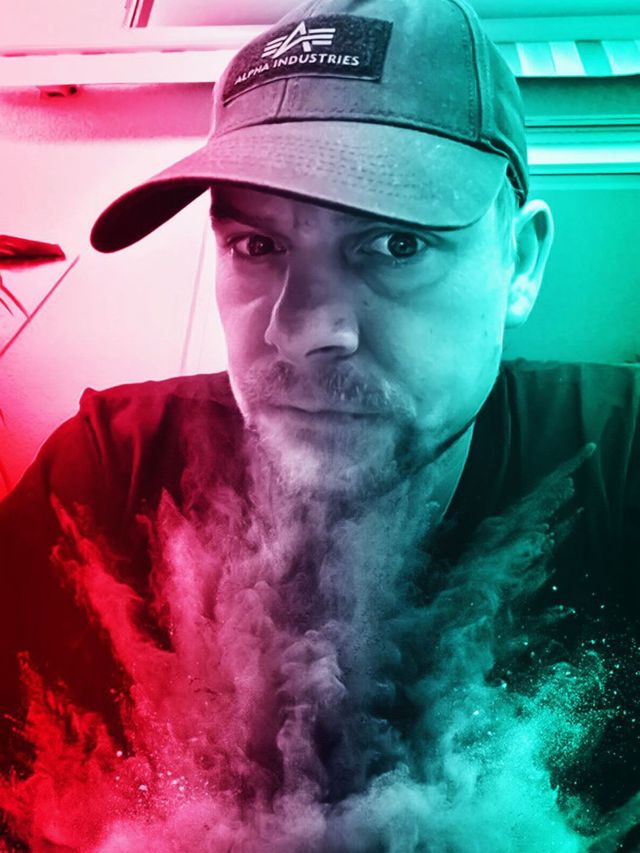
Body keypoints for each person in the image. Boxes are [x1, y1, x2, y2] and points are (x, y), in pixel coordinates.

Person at [1, 0, 639, 849]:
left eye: (396, 244)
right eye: (257, 246)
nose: (301, 328)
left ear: (519, 263)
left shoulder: (620, 462)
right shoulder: (108, 478)